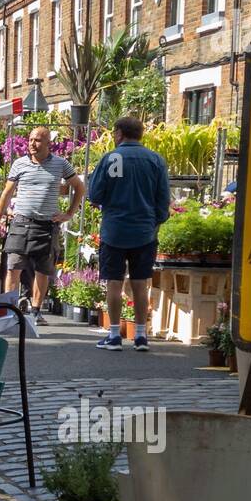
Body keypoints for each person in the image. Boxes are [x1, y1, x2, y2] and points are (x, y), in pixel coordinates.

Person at [87, 116, 170, 353]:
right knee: (140, 283)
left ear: (120, 133)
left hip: (114, 230)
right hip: (144, 231)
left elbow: (95, 195)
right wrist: (155, 221)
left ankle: (114, 334)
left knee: (114, 282)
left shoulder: (111, 158)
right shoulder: (155, 160)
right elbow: (163, 199)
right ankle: (141, 335)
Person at [0, 125, 85, 324]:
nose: (32, 144)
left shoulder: (60, 164)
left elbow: (79, 187)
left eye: (37, 140)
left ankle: (35, 310)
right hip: (21, 223)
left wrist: (69, 213)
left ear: (48, 144)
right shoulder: (19, 164)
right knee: (13, 267)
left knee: (43, 270)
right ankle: (11, 311)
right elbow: (7, 193)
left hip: (45, 225)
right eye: (30, 140)